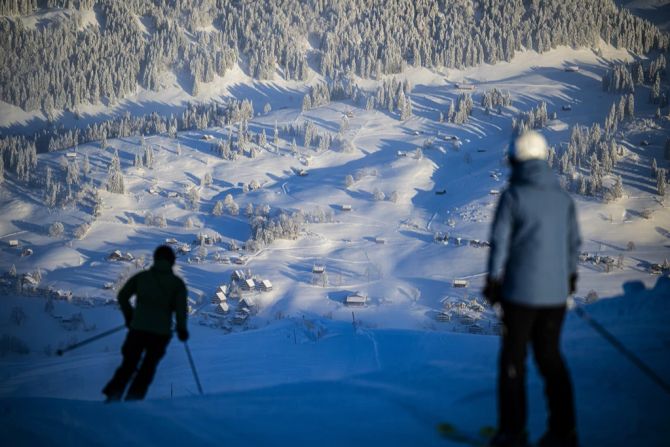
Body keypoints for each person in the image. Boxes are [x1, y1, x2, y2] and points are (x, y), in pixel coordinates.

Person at [484, 131, 581, 447]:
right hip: (554, 297)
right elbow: (573, 245)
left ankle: (512, 433)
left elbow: (499, 242)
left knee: (513, 360)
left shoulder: (513, 196)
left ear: (516, 160)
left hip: (520, 295)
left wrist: (492, 281)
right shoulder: (563, 199)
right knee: (550, 358)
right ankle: (563, 431)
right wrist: (567, 280)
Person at [103, 245, 189, 402]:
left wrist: (130, 317)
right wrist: (182, 329)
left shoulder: (141, 277)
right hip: (160, 333)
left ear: (155, 260)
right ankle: (134, 399)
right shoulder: (177, 284)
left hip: (138, 329)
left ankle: (113, 395)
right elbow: (181, 310)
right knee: (148, 367)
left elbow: (122, 296)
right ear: (172, 261)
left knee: (129, 363)